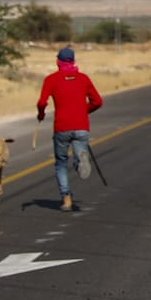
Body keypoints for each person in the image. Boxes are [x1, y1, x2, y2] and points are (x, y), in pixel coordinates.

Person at [36, 46, 103, 212]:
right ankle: (80, 159)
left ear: (58, 61)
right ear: (73, 61)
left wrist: (41, 114)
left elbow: (42, 102)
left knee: (60, 163)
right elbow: (98, 101)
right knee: (79, 152)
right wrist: (83, 110)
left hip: (62, 127)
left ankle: (66, 199)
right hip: (81, 126)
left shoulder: (51, 79)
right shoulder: (83, 79)